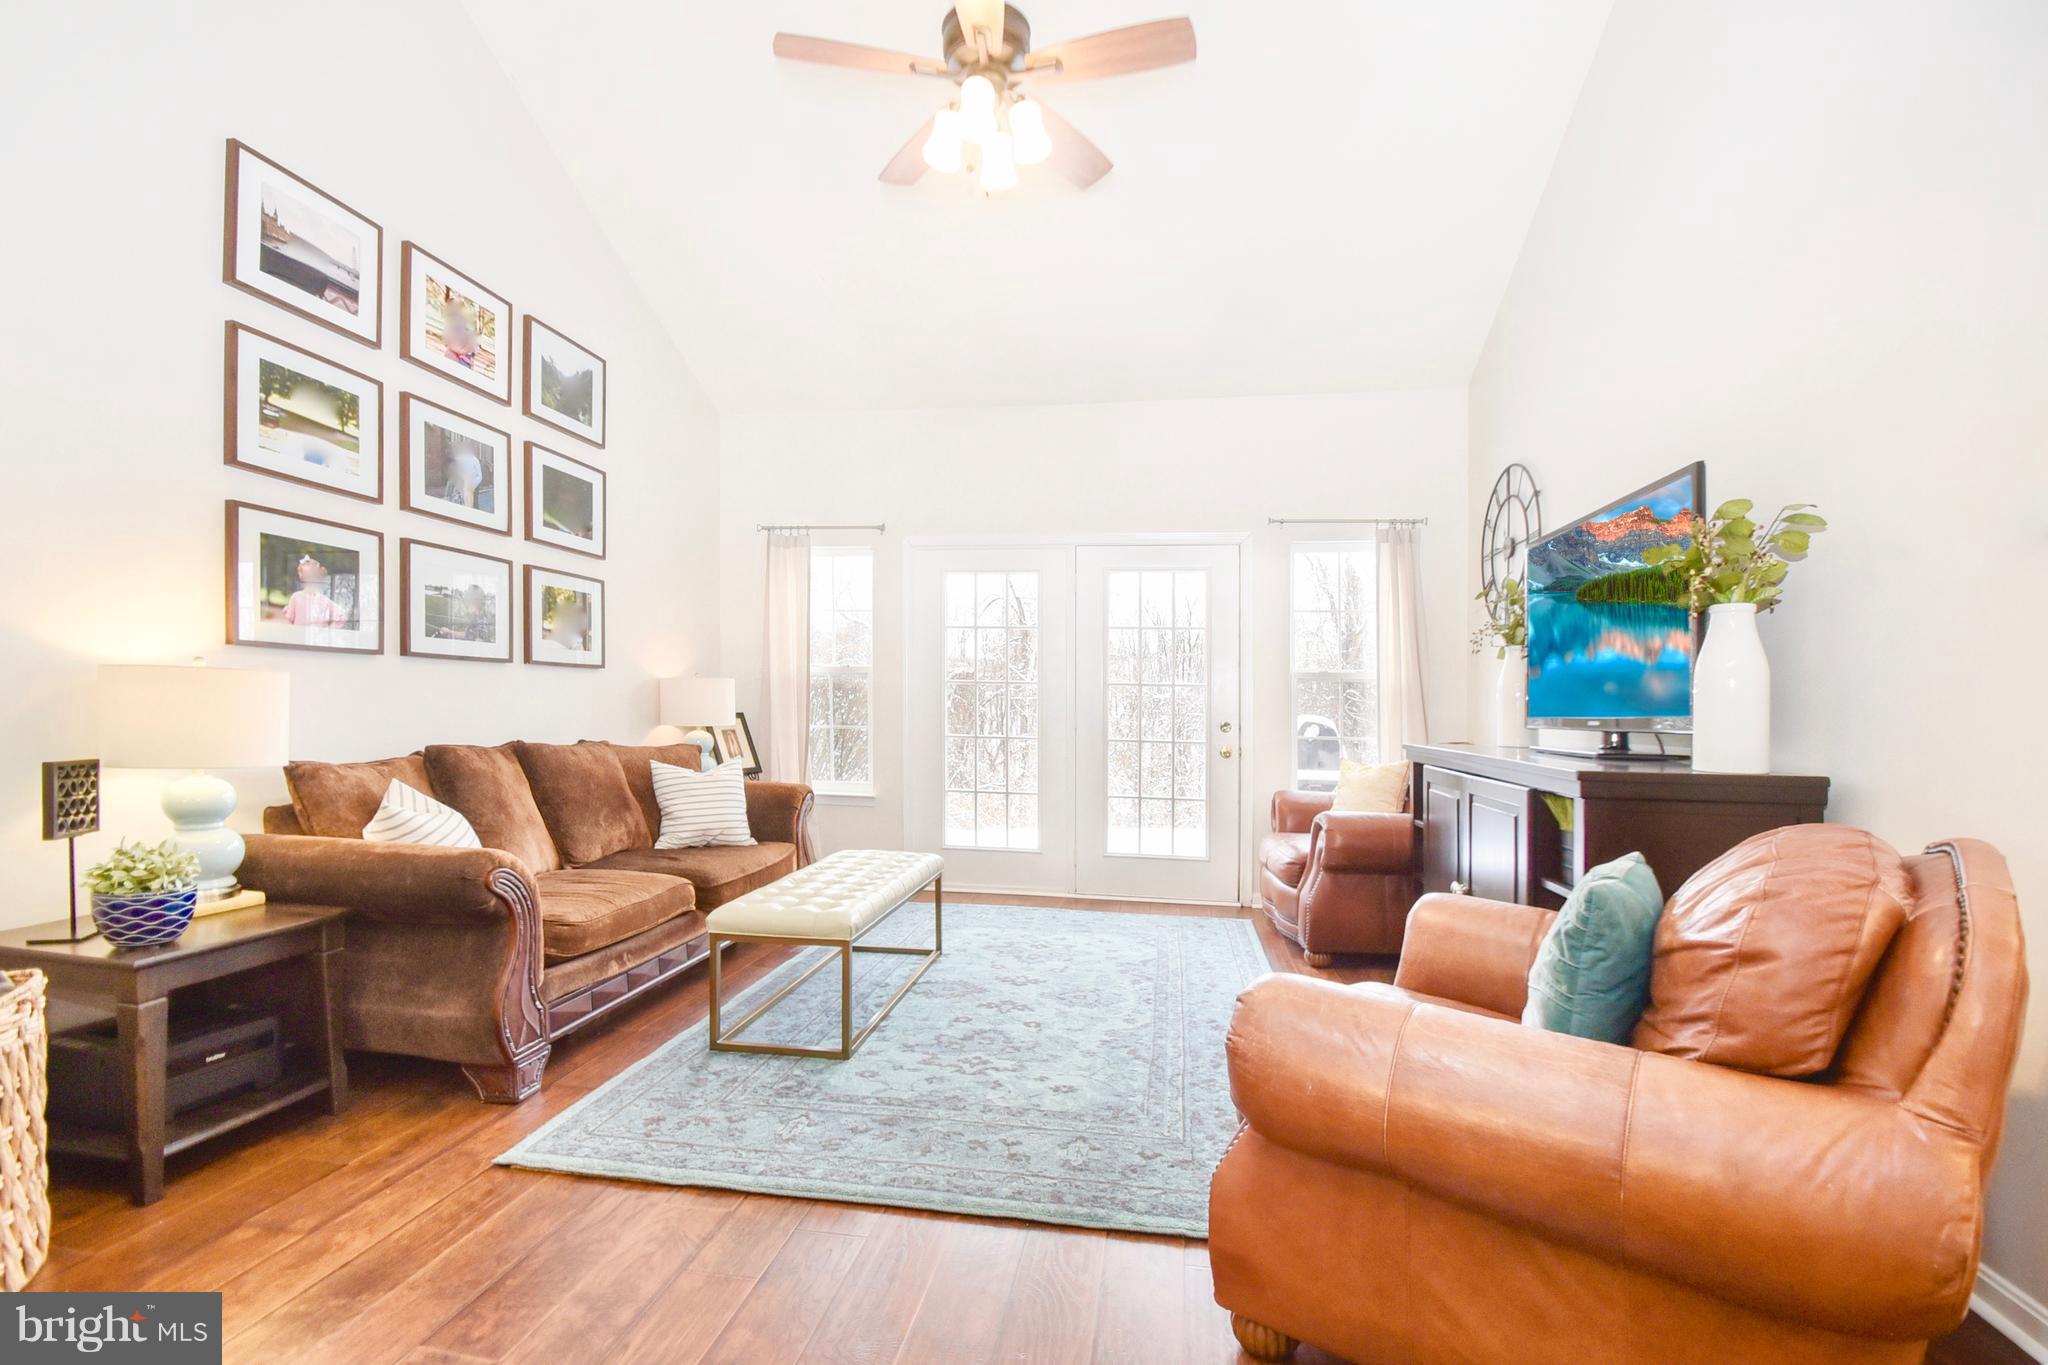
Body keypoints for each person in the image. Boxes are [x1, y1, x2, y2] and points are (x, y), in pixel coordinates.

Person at [282, 555, 352, 628]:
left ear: (301, 576)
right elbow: (341, 616)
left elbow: (289, 621)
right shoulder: (324, 600)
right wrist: (328, 631)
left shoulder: (296, 597)